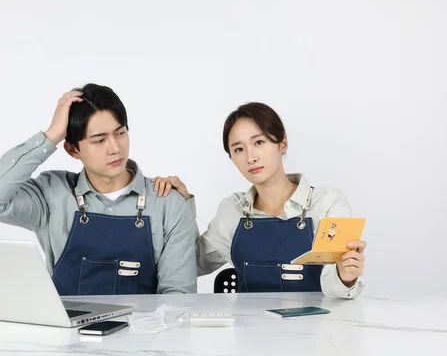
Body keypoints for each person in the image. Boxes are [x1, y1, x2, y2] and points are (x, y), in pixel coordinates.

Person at [0, 84, 198, 295]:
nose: (115, 148)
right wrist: (50, 137)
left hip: (144, 335)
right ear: (72, 150)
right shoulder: (52, 193)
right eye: (99, 140)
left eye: (120, 133)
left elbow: (177, 297)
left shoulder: (167, 202)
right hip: (66, 336)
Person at [153, 102, 366, 298]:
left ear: (282, 143)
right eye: (238, 149)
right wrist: (181, 205)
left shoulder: (328, 203)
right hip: (248, 335)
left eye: (259, 142)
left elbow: (336, 286)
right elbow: (191, 263)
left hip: (317, 333)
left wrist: (346, 276)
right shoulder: (232, 211)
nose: (250, 157)